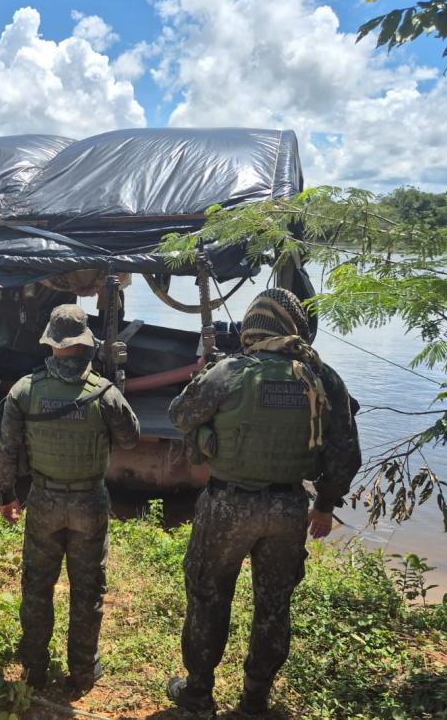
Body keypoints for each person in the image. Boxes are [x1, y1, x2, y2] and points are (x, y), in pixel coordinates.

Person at [166, 287, 362, 717]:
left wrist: (204, 394)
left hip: (227, 507)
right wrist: (325, 505)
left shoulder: (230, 371)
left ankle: (197, 694)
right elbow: (346, 452)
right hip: (289, 508)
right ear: (294, 326)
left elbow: (179, 416)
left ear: (251, 327)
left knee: (207, 596)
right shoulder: (322, 377)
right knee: (273, 606)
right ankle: (255, 700)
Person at [0, 304, 140, 692]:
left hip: (42, 499)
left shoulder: (25, 389)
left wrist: (7, 495)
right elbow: (130, 438)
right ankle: (82, 671)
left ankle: (34, 669)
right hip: (89, 502)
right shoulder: (103, 392)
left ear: (52, 343)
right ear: (85, 344)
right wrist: (115, 390)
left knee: (37, 587)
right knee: (88, 589)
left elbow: (5, 449)